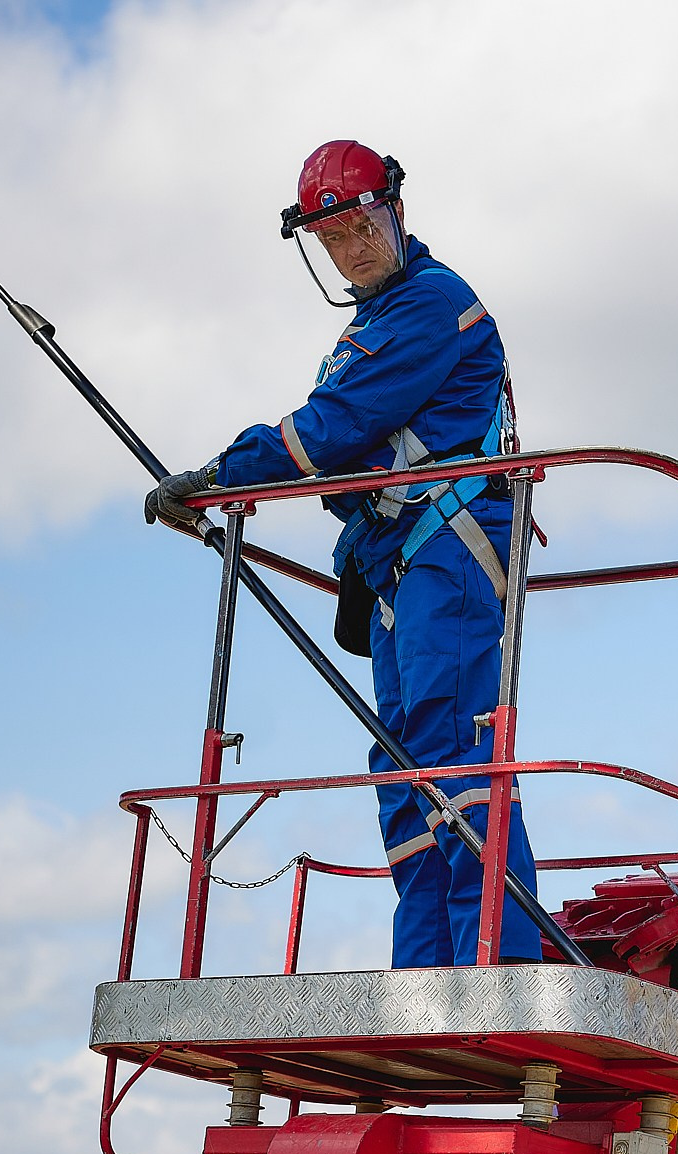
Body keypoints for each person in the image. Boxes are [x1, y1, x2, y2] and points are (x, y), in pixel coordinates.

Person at [145, 139, 540, 968]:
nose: (352, 250)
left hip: (448, 553)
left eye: (360, 227)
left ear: (394, 211)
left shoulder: (429, 306)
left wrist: (218, 474)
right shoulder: (378, 320)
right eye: (332, 241)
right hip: (399, 563)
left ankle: (494, 965)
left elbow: (326, 431)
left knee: (454, 747)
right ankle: (426, 971)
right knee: (402, 758)